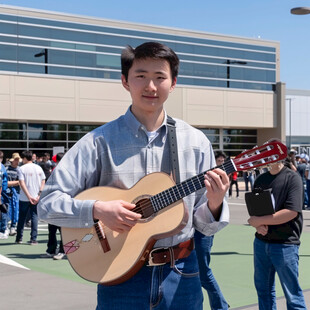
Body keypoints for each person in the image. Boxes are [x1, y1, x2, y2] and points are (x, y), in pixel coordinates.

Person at [38, 42, 230, 309]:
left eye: (159, 77)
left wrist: (215, 203)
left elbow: (206, 226)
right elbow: (47, 204)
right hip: (118, 274)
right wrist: (98, 210)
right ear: (125, 82)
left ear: (173, 83)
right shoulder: (98, 141)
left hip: (182, 273)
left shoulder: (196, 142)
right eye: (140, 76)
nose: (150, 87)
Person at [247, 160, 306, 309]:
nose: (268, 159)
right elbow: (256, 209)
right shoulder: (261, 179)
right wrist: (258, 225)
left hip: (285, 244)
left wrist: (257, 221)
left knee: (292, 295)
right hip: (261, 243)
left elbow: (291, 212)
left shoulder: (293, 178)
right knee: (263, 291)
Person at [194, 150, 229, 310]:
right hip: (191, 229)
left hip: (204, 230)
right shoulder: (203, 175)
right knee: (199, 272)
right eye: (219, 160)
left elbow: (219, 205)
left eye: (223, 160)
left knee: (203, 273)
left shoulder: (220, 179)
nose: (221, 163)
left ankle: (220, 305)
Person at [15, 150, 45, 245]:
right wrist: (39, 195)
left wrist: (28, 196)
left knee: (22, 218)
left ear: (24, 158)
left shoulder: (21, 168)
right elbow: (43, 181)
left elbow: (22, 183)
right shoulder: (38, 167)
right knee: (34, 217)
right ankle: (34, 239)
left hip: (24, 197)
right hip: (36, 197)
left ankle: (19, 238)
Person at [43, 152, 66, 260]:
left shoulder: (64, 171)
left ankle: (61, 250)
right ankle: (52, 250)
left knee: (61, 229)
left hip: (62, 203)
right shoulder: (56, 171)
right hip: (55, 202)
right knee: (53, 228)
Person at [6, 152, 21, 236]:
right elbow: (5, 183)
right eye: (16, 160)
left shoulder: (20, 170)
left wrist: (10, 183)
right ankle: (7, 227)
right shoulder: (6, 169)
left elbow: (20, 182)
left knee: (16, 210)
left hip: (16, 193)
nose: (17, 161)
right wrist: (15, 183)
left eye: (18, 160)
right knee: (7, 210)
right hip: (7, 193)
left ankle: (13, 227)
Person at [0, 150, 10, 239]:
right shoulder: (2, 166)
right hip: (3, 191)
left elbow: (0, 182)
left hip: (2, 192)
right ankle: (4, 228)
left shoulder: (0, 167)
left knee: (3, 210)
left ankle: (3, 229)